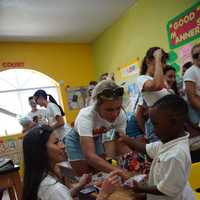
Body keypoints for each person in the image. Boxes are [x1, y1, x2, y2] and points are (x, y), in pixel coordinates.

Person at [118, 95, 195, 200]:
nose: (153, 130)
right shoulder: (168, 143)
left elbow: (166, 189)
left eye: (156, 124)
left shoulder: (176, 155)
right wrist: (126, 139)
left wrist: (142, 188)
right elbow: (145, 148)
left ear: (173, 122)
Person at [23, 125, 125, 200]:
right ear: (41, 150)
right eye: (56, 142)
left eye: (60, 141)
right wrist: (103, 194)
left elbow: (60, 196)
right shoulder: (53, 189)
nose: (62, 146)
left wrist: (79, 186)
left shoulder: (40, 180)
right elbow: (57, 195)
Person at [64, 80, 130, 176]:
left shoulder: (121, 115)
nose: (115, 114)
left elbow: (120, 144)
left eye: (118, 108)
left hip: (96, 138)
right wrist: (118, 171)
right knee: (85, 175)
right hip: (76, 139)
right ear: (97, 106)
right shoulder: (86, 116)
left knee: (100, 171)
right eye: (109, 110)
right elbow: (90, 156)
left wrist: (131, 161)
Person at [136, 47, 171, 143]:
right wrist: (158, 59)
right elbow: (157, 86)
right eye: (160, 61)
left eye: (164, 62)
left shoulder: (161, 79)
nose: (163, 65)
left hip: (169, 121)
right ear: (148, 61)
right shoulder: (142, 78)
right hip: (158, 123)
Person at [183, 43, 200, 163]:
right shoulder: (191, 72)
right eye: (196, 55)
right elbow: (192, 98)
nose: (199, 56)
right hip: (196, 113)